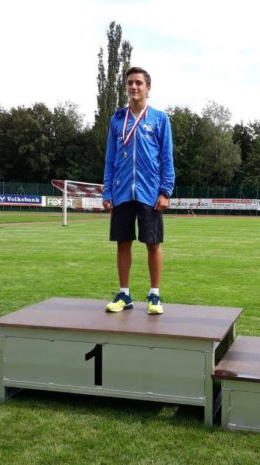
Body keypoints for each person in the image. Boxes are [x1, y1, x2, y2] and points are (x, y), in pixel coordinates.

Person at [102, 66, 175, 315]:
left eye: (139, 83)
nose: (134, 87)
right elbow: (110, 159)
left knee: (153, 243)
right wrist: (107, 192)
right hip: (122, 191)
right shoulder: (117, 119)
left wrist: (165, 191)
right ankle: (124, 293)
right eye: (130, 83)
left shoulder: (159, 119)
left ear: (148, 88)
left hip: (150, 191)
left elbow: (167, 157)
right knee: (123, 243)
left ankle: (154, 295)